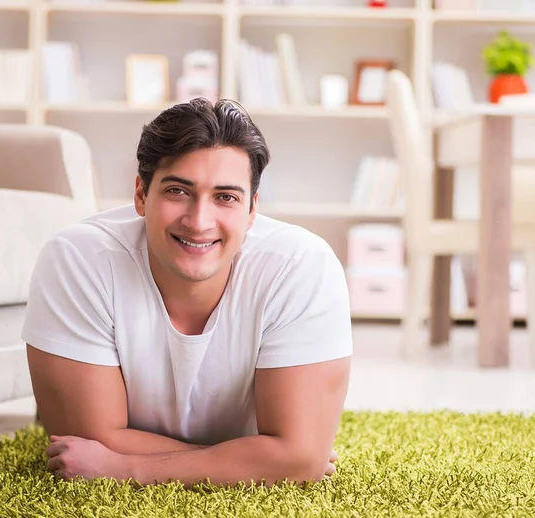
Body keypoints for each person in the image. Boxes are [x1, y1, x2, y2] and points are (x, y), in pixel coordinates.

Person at [23, 98, 352, 487]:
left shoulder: (301, 266)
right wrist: (267, 458)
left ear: (251, 211)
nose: (199, 222)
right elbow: (88, 441)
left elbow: (298, 457)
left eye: (226, 197)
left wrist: (125, 467)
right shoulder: (79, 259)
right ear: (141, 195)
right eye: (178, 191)